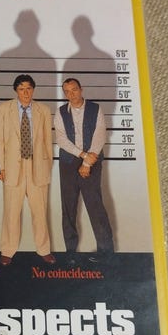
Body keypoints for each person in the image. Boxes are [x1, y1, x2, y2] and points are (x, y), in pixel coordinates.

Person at [0, 75, 56, 266]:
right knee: (11, 212)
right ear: (16, 90)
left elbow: (47, 141)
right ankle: (8, 250)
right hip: (12, 168)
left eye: (29, 88)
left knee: (40, 212)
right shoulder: (4, 109)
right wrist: (0, 167)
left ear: (33, 89)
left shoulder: (43, 110)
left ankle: (44, 250)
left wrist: (47, 165)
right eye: (21, 89)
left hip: (38, 167)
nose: (26, 92)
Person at [55, 78, 114, 263]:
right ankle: (70, 252)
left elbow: (100, 135)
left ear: (81, 89)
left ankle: (106, 252)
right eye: (67, 91)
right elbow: (61, 139)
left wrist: (87, 162)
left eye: (74, 89)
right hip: (68, 162)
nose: (71, 94)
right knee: (68, 207)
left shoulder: (95, 109)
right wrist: (82, 154)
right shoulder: (60, 112)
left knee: (95, 205)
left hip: (92, 160)